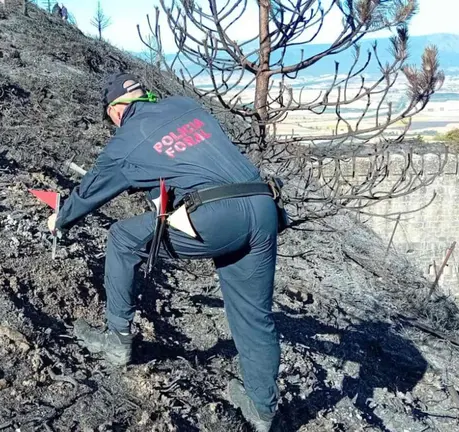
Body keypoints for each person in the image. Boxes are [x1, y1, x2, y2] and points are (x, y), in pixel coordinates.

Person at [48, 72, 284, 432]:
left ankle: (117, 341)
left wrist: (60, 220)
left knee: (122, 238)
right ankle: (261, 408)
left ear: (115, 110)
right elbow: (192, 162)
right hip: (264, 205)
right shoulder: (186, 105)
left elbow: (91, 192)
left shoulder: (125, 140)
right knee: (253, 313)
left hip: (218, 216)